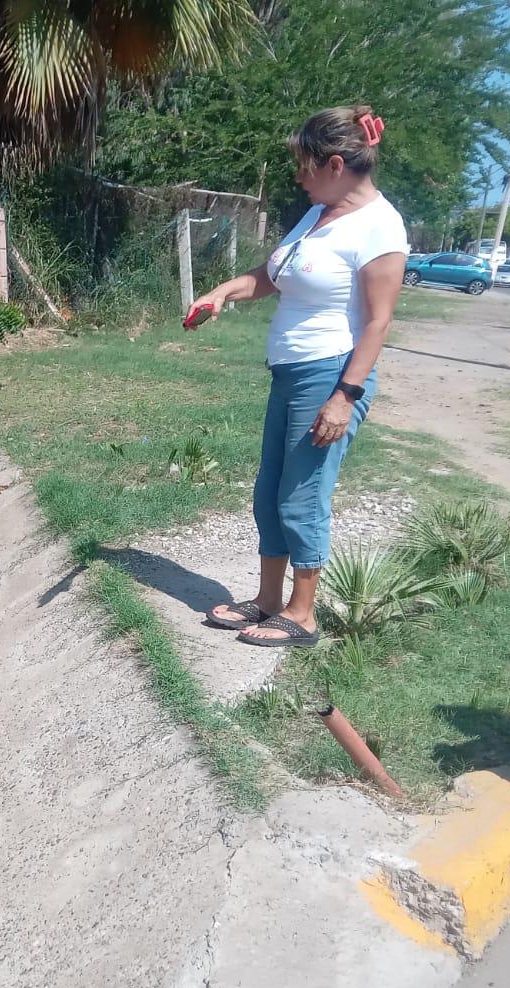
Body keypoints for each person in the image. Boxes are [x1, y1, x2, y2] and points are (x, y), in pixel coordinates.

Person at [187, 104, 408, 647]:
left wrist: (344, 397)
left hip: (331, 375)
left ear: (335, 165)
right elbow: (273, 274)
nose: (297, 176)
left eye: (304, 166)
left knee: (302, 496)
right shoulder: (318, 213)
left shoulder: (380, 225)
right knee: (270, 492)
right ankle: (267, 600)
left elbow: (379, 323)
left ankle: (303, 613)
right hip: (290, 375)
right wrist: (224, 292)